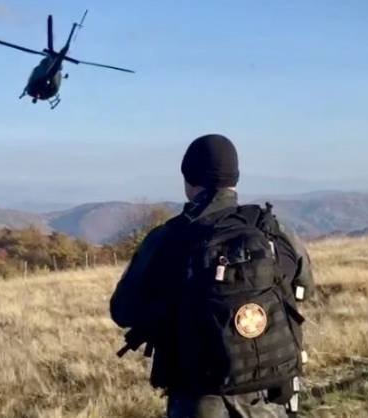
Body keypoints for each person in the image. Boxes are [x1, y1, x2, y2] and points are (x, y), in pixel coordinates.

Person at [110, 134, 314, 418]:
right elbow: (305, 288)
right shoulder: (274, 232)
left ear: (188, 180)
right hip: (270, 396)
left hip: (198, 398)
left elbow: (123, 311)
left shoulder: (166, 240)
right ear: (235, 178)